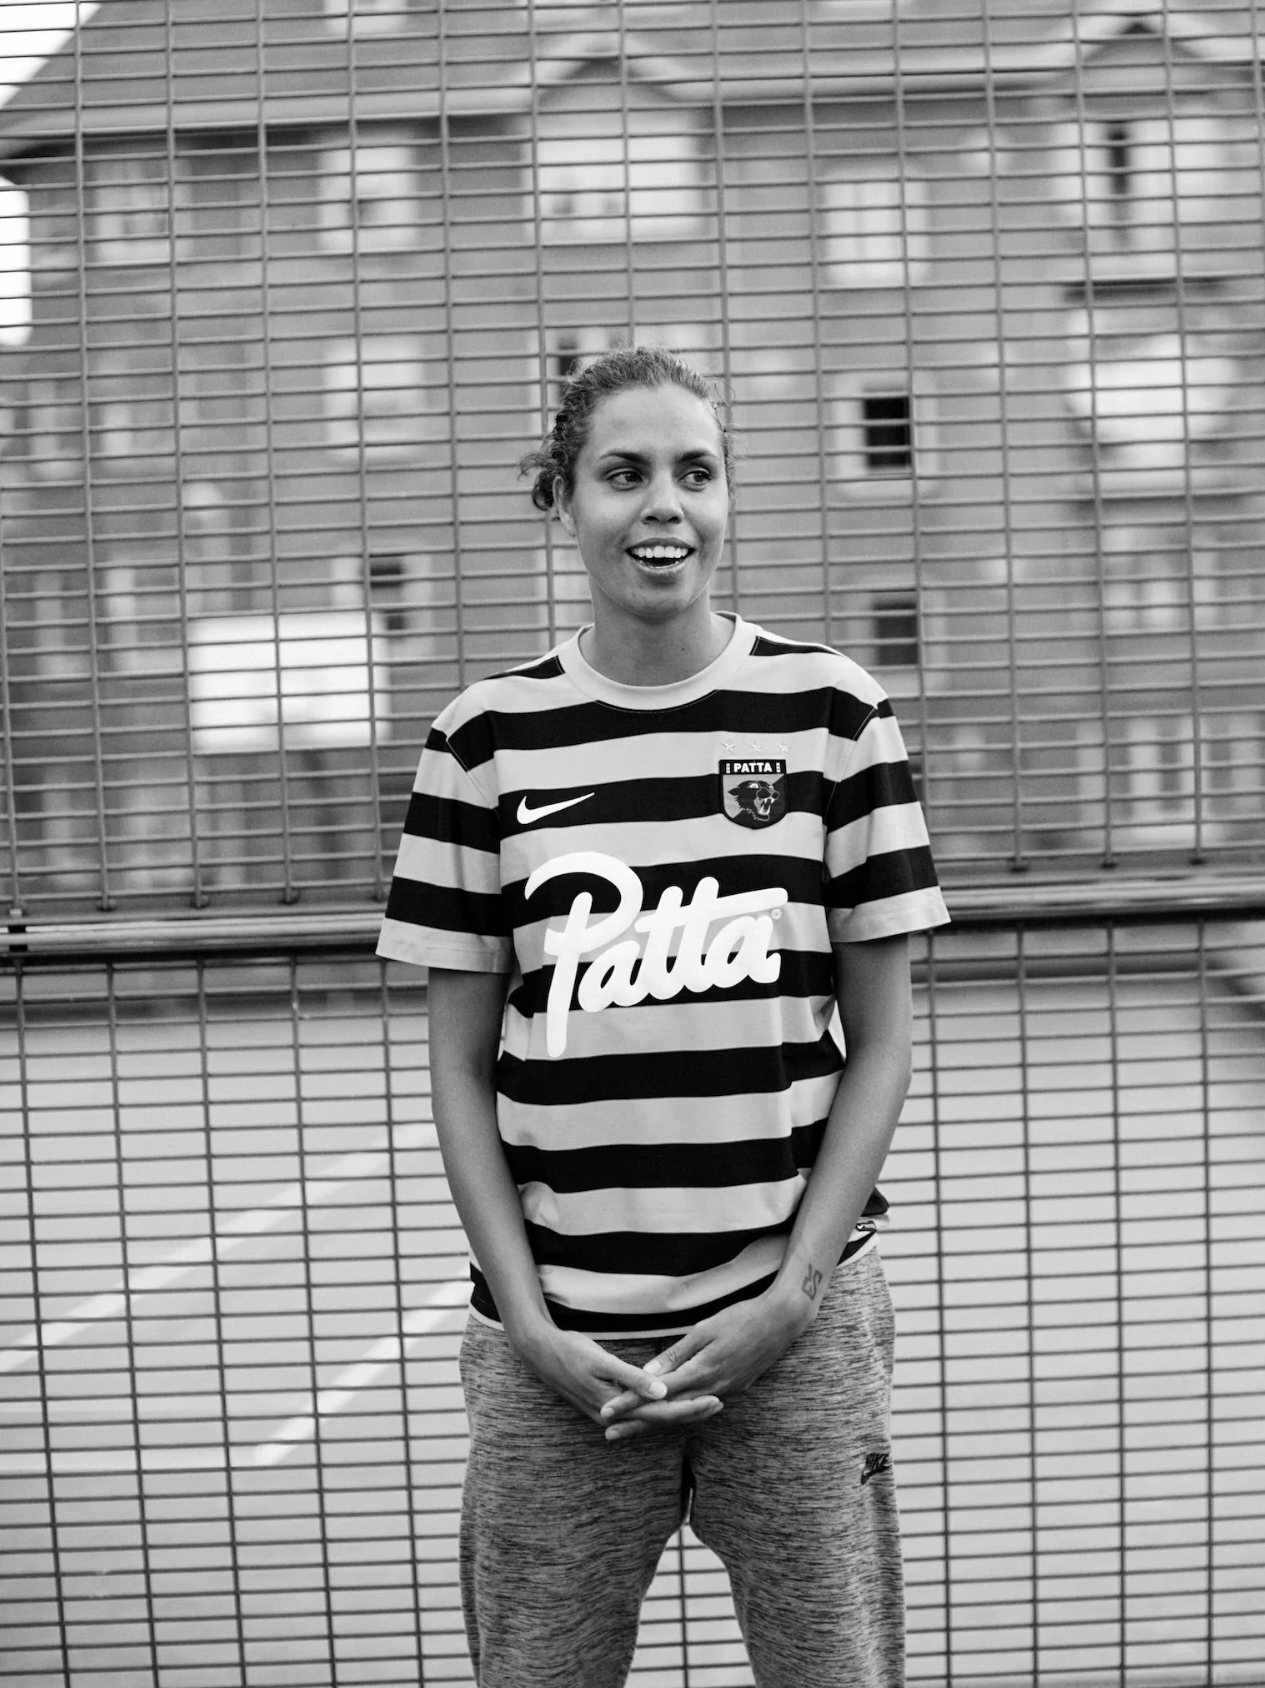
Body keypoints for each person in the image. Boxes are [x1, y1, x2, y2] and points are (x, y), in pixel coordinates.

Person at [377, 346, 950, 1688]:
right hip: (558, 1351)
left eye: (695, 471)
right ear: (561, 500)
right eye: (622, 473)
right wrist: (526, 1320)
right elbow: (458, 1067)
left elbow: (883, 1042)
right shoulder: (481, 741)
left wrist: (793, 1293)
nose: (663, 505)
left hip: (794, 1342)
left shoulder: (831, 717)